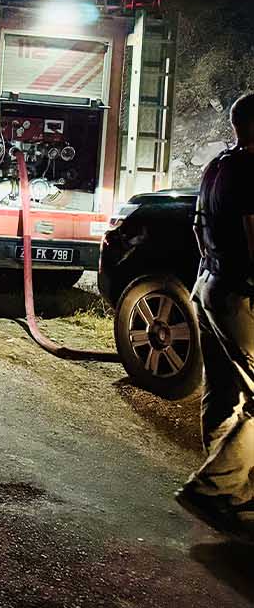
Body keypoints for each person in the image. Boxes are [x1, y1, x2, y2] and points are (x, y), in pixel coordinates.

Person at [177, 91, 254, 542]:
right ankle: (215, 488)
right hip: (237, 295)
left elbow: (197, 226)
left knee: (223, 389)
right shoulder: (250, 169)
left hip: (208, 286)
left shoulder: (218, 166)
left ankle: (228, 485)